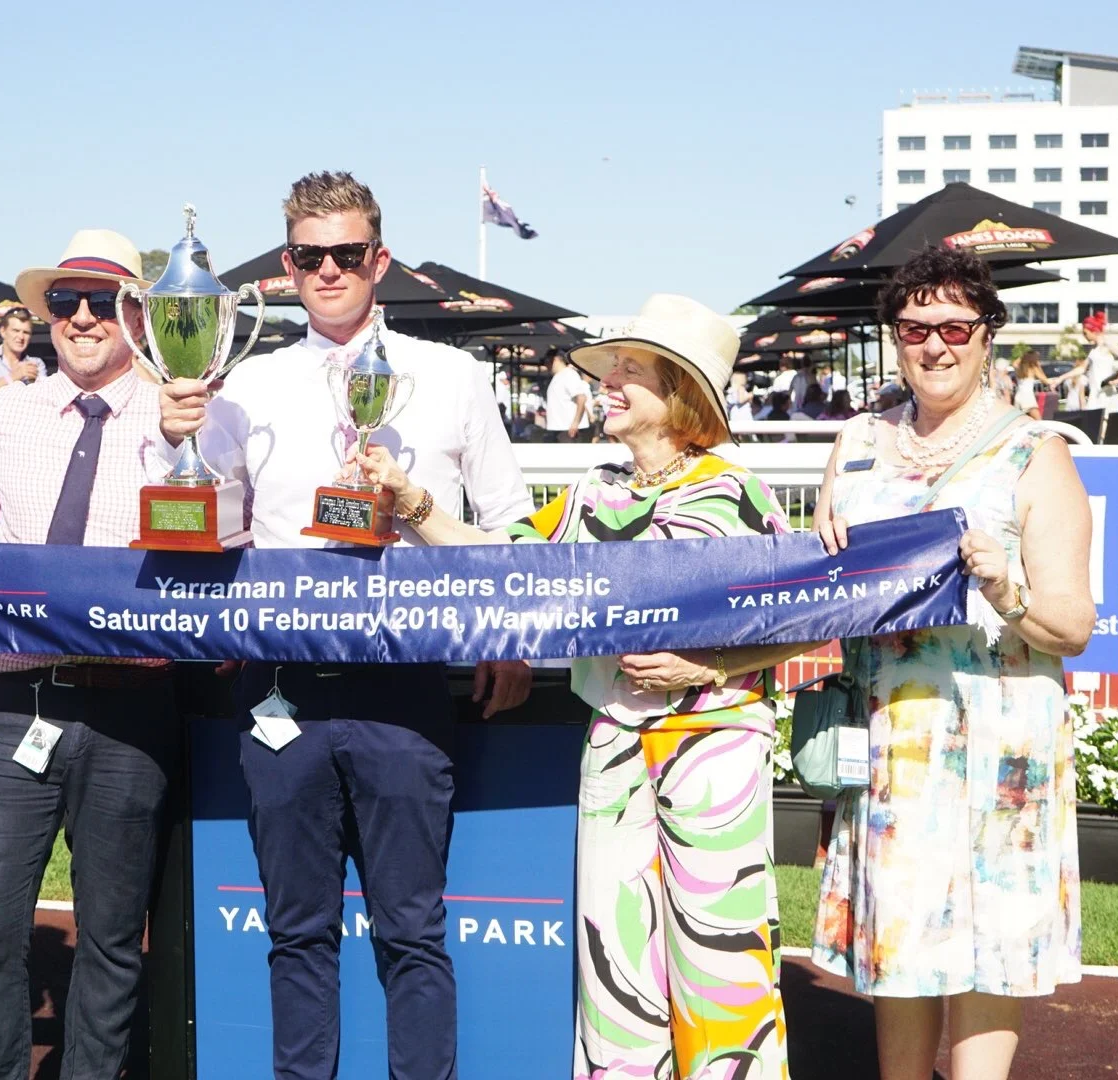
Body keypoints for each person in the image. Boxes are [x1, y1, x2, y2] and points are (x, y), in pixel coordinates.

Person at [352, 293, 799, 1080]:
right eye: (611, 369)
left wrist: (710, 667)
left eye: (631, 371)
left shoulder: (738, 492)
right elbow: (499, 560)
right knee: (615, 964)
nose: (609, 383)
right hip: (616, 747)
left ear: (681, 395)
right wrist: (409, 495)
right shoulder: (594, 493)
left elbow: (808, 624)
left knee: (721, 963)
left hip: (717, 747)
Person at [158, 170, 534, 1080]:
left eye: (347, 253)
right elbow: (210, 521)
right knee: (297, 934)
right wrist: (174, 436)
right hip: (280, 685)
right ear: (287, 265)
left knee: (412, 932)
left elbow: (511, 525)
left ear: (380, 259)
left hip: (406, 687)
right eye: (308, 255)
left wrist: (511, 638)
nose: (328, 270)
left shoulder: (450, 376)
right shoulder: (242, 382)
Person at [812, 246, 1095, 1080]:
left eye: (955, 327)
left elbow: (1072, 624)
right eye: (914, 328)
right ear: (893, 337)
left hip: (1001, 740)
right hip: (890, 736)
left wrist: (1006, 588)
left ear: (986, 336)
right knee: (899, 938)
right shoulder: (858, 443)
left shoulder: (1036, 452)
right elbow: (824, 587)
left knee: (990, 943)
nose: (935, 345)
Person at [0, 229, 178, 1079]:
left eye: (102, 300)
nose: (81, 317)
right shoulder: (6, 410)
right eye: (63, 301)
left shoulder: (181, 414)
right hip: (13, 697)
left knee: (114, 940)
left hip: (132, 701)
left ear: (137, 314)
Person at [1066, 311, 1118, 416]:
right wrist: (1060, 378)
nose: (1085, 336)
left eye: (1085, 333)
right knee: (1096, 427)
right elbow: (1081, 369)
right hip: (1095, 393)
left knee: (1103, 426)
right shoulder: (1093, 351)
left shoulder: (1107, 344)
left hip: (1106, 394)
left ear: (1094, 331)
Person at [543, 346, 593, 443]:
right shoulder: (559, 376)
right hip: (560, 428)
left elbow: (581, 398)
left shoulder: (569, 374)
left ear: (555, 359)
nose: (545, 364)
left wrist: (575, 423)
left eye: (547, 360)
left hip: (569, 429)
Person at [1013, 350, 1052, 417]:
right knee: (1038, 422)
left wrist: (1024, 356)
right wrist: (1039, 367)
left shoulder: (1019, 369)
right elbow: (1045, 381)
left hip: (1018, 397)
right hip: (1028, 398)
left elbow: (1014, 363)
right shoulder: (1033, 369)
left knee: (1021, 422)